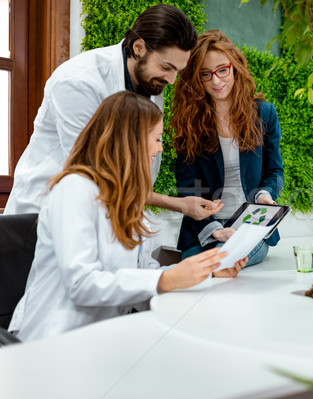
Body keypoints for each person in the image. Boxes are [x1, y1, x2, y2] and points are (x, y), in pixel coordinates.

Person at [8, 92, 247, 342]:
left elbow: (145, 273)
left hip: (103, 338)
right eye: (156, 138)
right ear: (129, 140)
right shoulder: (74, 189)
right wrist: (165, 279)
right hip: (54, 341)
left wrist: (207, 272)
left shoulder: (129, 198)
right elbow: (82, 284)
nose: (159, 148)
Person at [5, 4, 221, 221]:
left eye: (177, 70)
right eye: (166, 67)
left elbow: (137, 175)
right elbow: (95, 173)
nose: (172, 79)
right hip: (42, 213)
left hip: (98, 215)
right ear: (139, 47)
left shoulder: (151, 81)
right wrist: (175, 204)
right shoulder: (78, 81)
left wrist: (182, 204)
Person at [171, 30, 284, 266]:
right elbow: (188, 187)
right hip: (204, 227)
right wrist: (214, 230)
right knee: (198, 263)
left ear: (235, 67)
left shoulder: (264, 113)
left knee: (220, 260)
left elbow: (275, 171)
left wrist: (264, 194)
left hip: (249, 225)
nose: (216, 80)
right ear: (196, 78)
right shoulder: (189, 121)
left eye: (223, 70)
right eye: (206, 74)